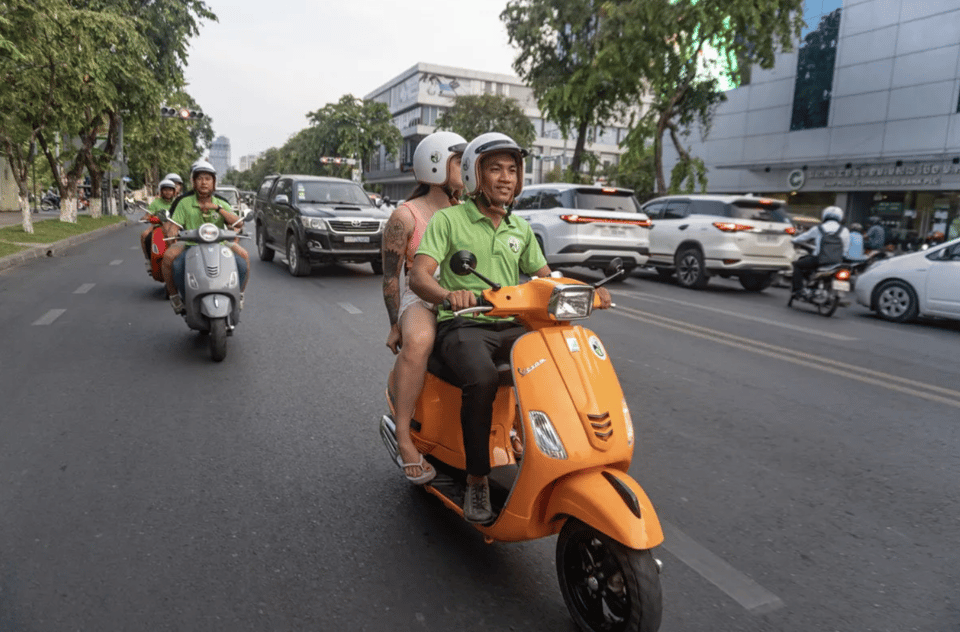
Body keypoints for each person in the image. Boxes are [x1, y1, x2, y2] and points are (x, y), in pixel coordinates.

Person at [410, 132, 612, 524]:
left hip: (512, 323)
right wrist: (450, 295)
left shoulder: (521, 229)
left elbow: (545, 277)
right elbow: (420, 276)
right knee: (483, 378)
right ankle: (477, 479)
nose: (506, 177)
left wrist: (585, 291)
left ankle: (554, 451)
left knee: (560, 365)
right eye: (496, 169)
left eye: (512, 170)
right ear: (474, 175)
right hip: (465, 325)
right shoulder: (449, 220)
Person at [382, 131, 466, 485]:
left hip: (467, 297)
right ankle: (404, 438)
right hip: (423, 298)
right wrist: (395, 323)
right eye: (460, 162)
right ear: (435, 164)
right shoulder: (405, 216)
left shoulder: (469, 211)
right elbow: (391, 278)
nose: (468, 168)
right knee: (418, 342)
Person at [161, 160, 250, 314]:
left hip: (220, 244)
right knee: (170, 260)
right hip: (190, 244)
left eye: (208, 179)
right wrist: (172, 231)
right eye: (200, 179)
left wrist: (218, 209)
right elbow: (174, 225)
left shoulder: (221, 203)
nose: (204, 183)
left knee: (244, 259)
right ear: (194, 182)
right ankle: (176, 297)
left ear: (214, 183)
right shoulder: (184, 203)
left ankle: (240, 295)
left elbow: (238, 224)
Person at [790, 206, 850, 298]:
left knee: (797, 265)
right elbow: (845, 248)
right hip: (837, 262)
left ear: (825, 215)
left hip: (819, 260)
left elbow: (803, 237)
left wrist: (793, 240)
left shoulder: (819, 228)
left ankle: (798, 290)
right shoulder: (844, 230)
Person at [140, 179, 177, 264]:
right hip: (158, 225)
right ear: (161, 191)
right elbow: (148, 214)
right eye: (165, 190)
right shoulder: (156, 202)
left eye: (170, 190)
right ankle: (149, 260)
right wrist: (146, 217)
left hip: (174, 225)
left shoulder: (177, 202)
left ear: (174, 191)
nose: (168, 192)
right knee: (144, 235)